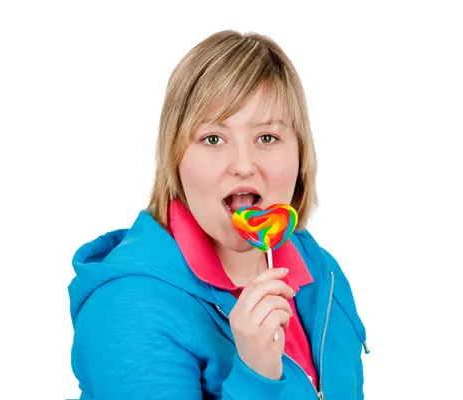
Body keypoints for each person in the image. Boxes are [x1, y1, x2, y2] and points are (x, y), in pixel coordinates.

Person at [68, 29, 369, 400]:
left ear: (301, 155)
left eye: (267, 138)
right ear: (175, 158)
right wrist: (256, 376)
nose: (244, 166)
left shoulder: (320, 271)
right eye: (213, 139)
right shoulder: (128, 309)